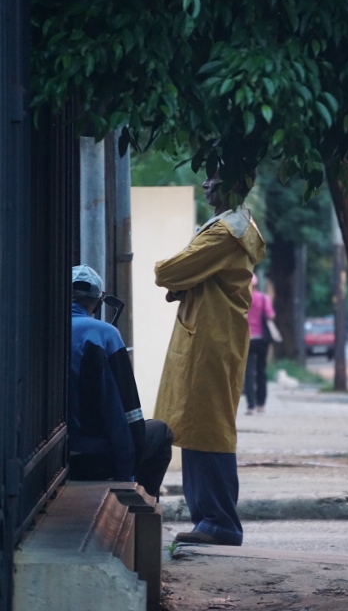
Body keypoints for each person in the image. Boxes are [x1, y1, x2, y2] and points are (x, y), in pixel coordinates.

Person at [153, 167, 266, 546]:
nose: (205, 184)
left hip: (210, 338)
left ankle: (219, 521)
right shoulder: (232, 226)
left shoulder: (225, 232)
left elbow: (170, 271)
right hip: (210, 335)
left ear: (234, 184)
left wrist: (173, 275)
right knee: (197, 424)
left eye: (214, 178)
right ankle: (209, 519)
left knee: (209, 427)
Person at [69, 264, 173, 497]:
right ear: (97, 301)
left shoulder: (45, 331)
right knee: (161, 431)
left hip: (57, 461)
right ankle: (142, 515)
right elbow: (125, 413)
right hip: (94, 460)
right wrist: (127, 475)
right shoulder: (104, 334)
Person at [243, 273, 275, 415]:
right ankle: (261, 404)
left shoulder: (242, 299)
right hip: (262, 340)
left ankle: (250, 405)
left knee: (248, 373)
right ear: (256, 285)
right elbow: (270, 315)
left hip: (246, 339)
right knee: (261, 371)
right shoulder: (263, 298)